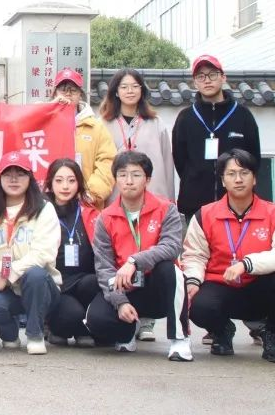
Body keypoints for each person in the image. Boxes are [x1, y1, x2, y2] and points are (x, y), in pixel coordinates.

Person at [183, 149, 275, 364]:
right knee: (197, 303)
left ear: (254, 178)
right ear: (223, 180)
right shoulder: (205, 214)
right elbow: (195, 255)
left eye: (244, 173)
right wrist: (192, 280)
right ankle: (222, 331)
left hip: (259, 287)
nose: (238, 179)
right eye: (231, 174)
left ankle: (273, 337)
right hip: (220, 285)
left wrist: (247, 264)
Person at [86, 150, 192, 361]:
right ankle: (127, 331)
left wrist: (134, 261)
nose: (129, 181)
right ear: (115, 180)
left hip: (157, 287)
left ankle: (180, 338)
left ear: (148, 179)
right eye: (122, 175)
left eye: (136, 175)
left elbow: (171, 246)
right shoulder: (105, 218)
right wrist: (120, 302)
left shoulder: (166, 209)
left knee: (169, 269)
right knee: (96, 320)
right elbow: (104, 267)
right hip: (125, 286)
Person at [98, 67, 176, 342]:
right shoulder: (104, 123)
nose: (129, 91)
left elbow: (167, 161)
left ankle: (147, 321)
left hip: (152, 199)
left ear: (142, 90)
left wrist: (169, 197)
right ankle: (124, 308)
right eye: (124, 86)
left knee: (153, 255)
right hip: (116, 200)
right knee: (119, 254)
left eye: (135, 86)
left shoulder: (156, 123)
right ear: (115, 92)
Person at [0, 151, 61, 355]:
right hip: (2, 289)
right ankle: (9, 334)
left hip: (40, 288)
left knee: (36, 274)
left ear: (30, 178)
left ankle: (35, 334)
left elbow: (43, 253)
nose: (14, 179)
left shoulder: (44, 210)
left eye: (20, 174)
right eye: (7, 174)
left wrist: (8, 274)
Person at [171, 54, 261, 218]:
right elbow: (180, 161)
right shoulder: (185, 117)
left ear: (223, 77)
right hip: (195, 204)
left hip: (236, 204)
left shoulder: (243, 115)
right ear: (195, 82)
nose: (207, 80)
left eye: (212, 74)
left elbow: (254, 158)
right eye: (201, 76)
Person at [42, 158, 101, 346]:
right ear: (50, 183)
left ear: (79, 183)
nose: (65, 186)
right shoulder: (39, 212)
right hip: (57, 283)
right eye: (59, 180)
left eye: (71, 180)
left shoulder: (90, 213)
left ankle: (84, 327)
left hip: (83, 279)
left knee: (93, 283)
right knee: (71, 315)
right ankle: (59, 326)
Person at [52, 68, 115, 204]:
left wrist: (90, 193)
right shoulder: (43, 124)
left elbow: (107, 162)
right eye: (63, 89)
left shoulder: (96, 127)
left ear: (80, 94)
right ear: (54, 93)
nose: (67, 94)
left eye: (73, 90)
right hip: (48, 203)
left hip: (86, 203)